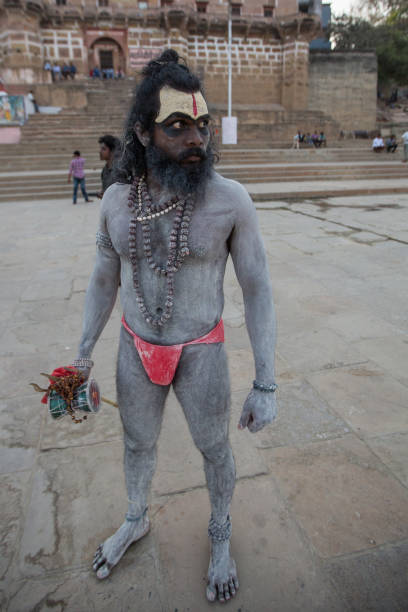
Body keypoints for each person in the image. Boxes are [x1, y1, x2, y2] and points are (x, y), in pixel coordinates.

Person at [71, 49, 277, 603]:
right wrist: (81, 357)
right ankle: (136, 517)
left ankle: (221, 535)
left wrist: (266, 383)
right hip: (135, 347)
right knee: (137, 443)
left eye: (202, 125)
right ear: (142, 132)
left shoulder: (230, 201)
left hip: (201, 350)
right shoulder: (115, 202)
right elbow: (102, 282)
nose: (196, 139)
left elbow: (257, 290)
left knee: (215, 449)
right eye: (178, 126)